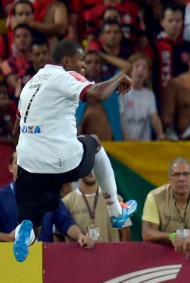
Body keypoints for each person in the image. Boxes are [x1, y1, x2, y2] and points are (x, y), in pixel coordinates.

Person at [11, 39, 136, 262]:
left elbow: (15, 133)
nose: (84, 68)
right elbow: (96, 95)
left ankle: (26, 231)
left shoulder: (30, 84)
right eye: (82, 61)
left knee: (34, 224)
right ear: (68, 61)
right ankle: (116, 212)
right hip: (61, 160)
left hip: (29, 163)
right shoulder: (65, 75)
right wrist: (118, 78)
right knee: (94, 145)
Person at [141, 157, 190, 256]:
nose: (181, 179)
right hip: (162, 254)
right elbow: (147, 233)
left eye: (186, 174)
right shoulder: (155, 196)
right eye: (176, 175)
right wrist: (171, 236)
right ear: (169, 179)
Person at [62, 172, 132, 242]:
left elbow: (126, 233)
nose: (91, 171)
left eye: (94, 165)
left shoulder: (117, 200)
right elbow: (58, 237)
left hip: (110, 253)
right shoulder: (65, 203)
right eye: (87, 166)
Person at [119, 53, 165, 141]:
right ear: (130, 70)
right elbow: (120, 117)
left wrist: (161, 135)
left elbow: (154, 116)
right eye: (137, 66)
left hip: (143, 144)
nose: (141, 70)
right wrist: (125, 137)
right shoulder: (121, 92)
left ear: (148, 73)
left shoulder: (149, 95)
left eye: (144, 67)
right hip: (124, 143)